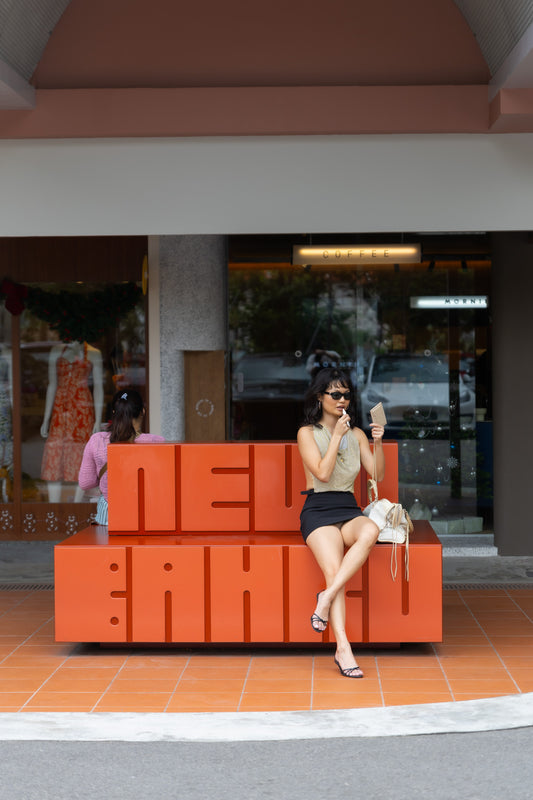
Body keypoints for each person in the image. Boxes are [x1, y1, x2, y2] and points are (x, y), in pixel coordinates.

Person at [297, 366, 385, 678]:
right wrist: (335, 436)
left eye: (346, 394)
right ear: (320, 397)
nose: (342, 399)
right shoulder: (307, 433)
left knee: (371, 529)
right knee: (334, 570)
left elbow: (377, 473)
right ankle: (343, 647)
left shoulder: (358, 434)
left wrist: (377, 442)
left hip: (348, 508)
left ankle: (326, 595)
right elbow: (321, 473)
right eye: (335, 394)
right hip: (318, 510)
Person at [78, 388, 165, 525]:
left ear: (114, 413)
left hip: (109, 512)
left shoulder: (97, 441)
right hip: (146, 511)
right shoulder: (156, 442)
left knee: (110, 545)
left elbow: (85, 483)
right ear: (142, 411)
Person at [41, 340, 103, 502]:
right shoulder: (56, 350)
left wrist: (97, 420)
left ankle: (75, 506)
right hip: (60, 407)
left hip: (82, 407)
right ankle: (53, 508)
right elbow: (52, 385)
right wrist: (46, 418)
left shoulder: (94, 353)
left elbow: (98, 387)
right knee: (56, 451)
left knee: (81, 453)